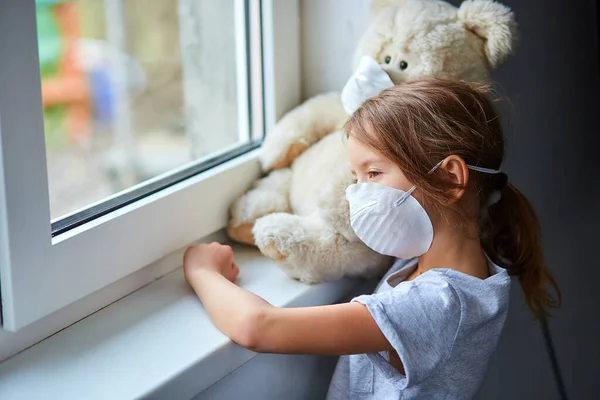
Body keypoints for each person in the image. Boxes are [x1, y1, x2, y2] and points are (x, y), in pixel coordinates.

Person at [183, 78, 561, 399]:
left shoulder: (437, 305)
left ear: (450, 179)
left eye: (374, 173)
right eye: (355, 177)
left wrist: (202, 271)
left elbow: (259, 327)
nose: (357, 195)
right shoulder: (435, 265)